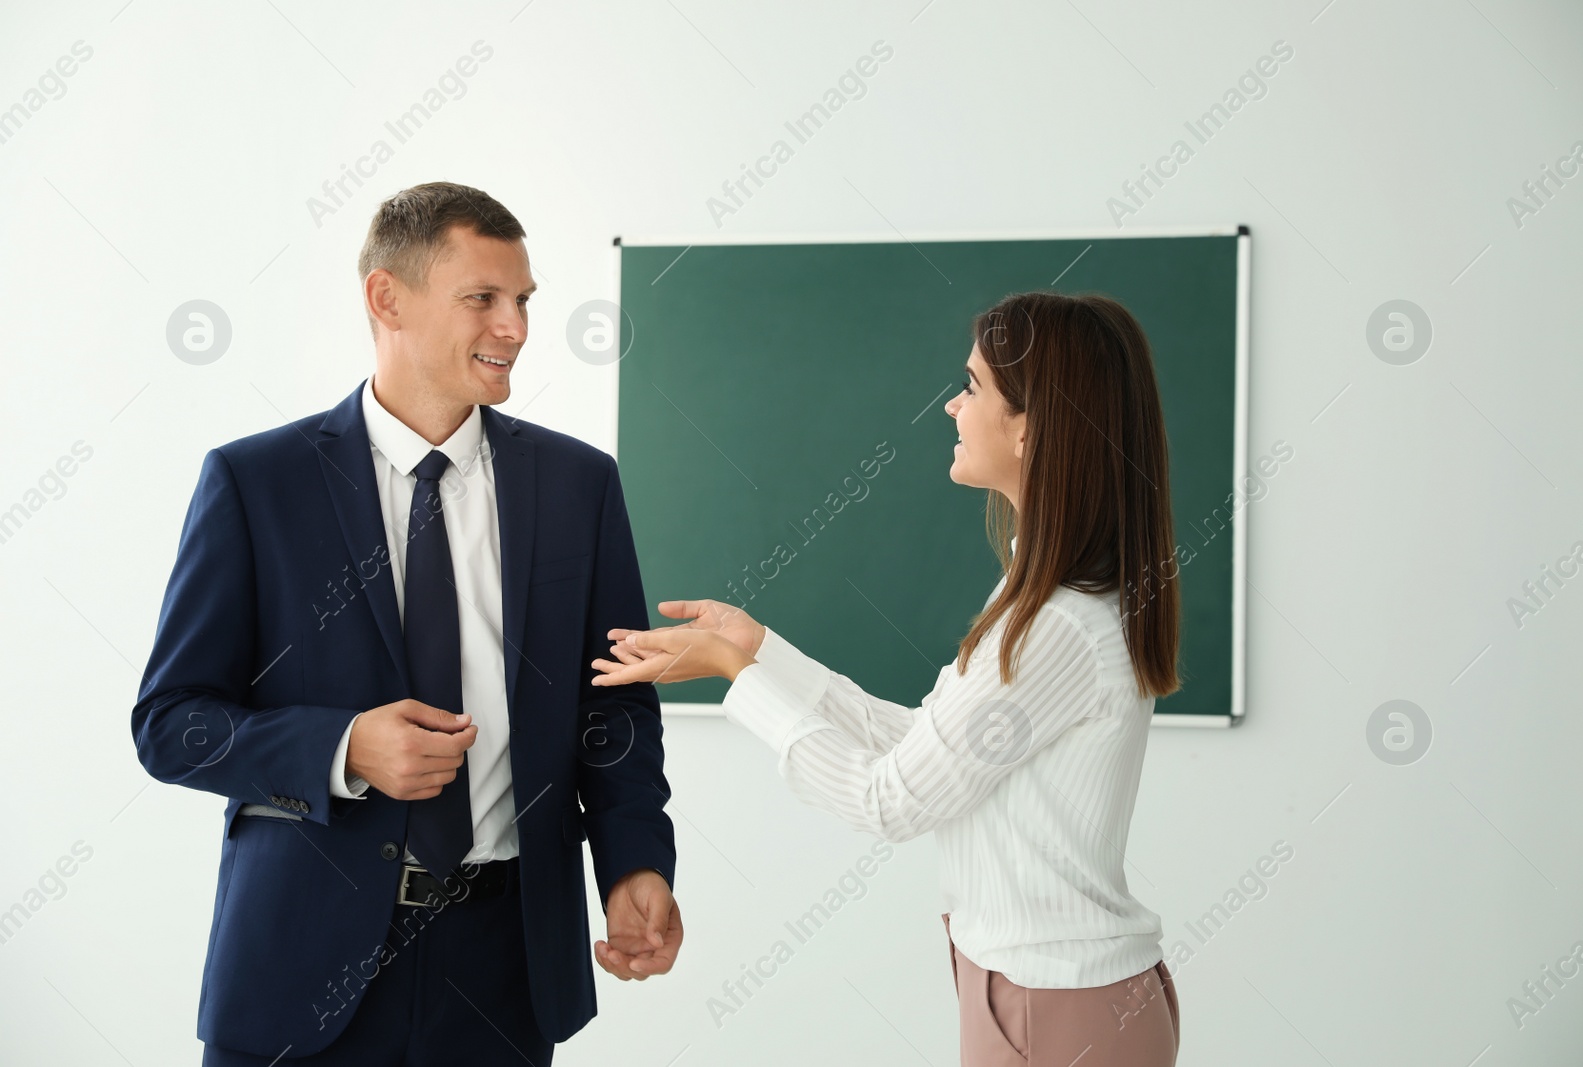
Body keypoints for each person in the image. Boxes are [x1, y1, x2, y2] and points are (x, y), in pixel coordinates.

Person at [132, 181, 680, 1066]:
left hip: (507, 972)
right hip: (297, 976)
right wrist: (342, 748)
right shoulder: (255, 484)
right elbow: (172, 725)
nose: (517, 328)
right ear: (387, 297)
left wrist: (633, 862)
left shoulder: (580, 486)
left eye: (524, 301)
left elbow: (613, 709)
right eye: (484, 299)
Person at [593, 291, 1182, 1066]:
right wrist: (761, 651)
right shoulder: (1035, 602)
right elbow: (922, 745)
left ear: (1030, 425)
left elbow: (890, 798)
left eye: (973, 386)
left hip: (1057, 1006)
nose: (952, 405)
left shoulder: (1054, 628)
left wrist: (737, 674)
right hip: (1039, 995)